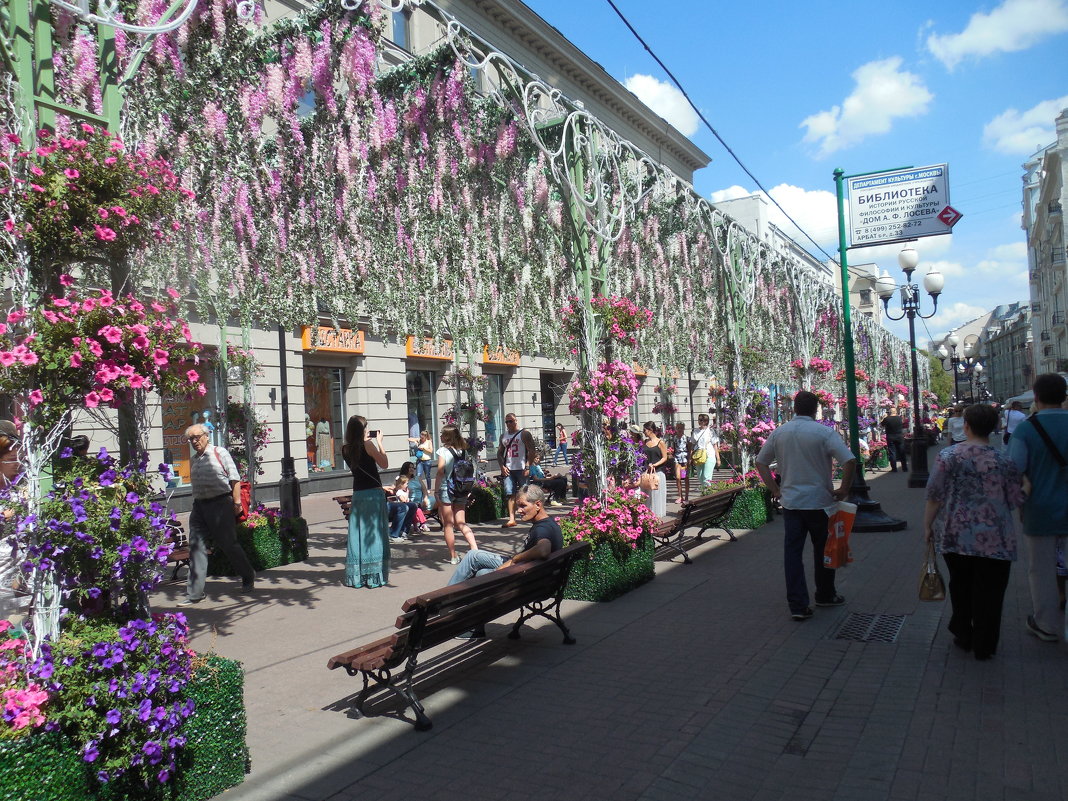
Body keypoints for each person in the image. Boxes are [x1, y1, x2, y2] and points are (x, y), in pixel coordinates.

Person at [924, 404, 1025, 660]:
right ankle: (985, 644)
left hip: (957, 534)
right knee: (991, 592)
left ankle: (963, 632)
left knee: (961, 586)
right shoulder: (1003, 460)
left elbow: (934, 495)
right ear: (995, 428)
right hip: (996, 538)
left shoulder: (948, 456)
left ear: (966, 426)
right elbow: (1015, 500)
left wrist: (927, 526)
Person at [755, 391, 857, 621]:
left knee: (792, 554)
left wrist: (775, 489)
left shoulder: (779, 433)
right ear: (815, 409)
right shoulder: (823, 432)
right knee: (824, 550)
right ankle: (825, 593)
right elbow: (849, 460)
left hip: (791, 503)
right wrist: (844, 489)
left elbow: (761, 462)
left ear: (794, 408)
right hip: (819, 503)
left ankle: (798, 605)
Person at [446, 485, 563, 639]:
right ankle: (475, 627)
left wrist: (515, 559)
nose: (519, 510)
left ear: (538, 505)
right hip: (534, 580)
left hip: (524, 579)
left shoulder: (542, 529)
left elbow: (543, 549)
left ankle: (445, 602)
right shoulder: (549, 524)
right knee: (479, 569)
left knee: (474, 557)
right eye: (518, 506)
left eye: (523, 506)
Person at [1006, 373, 1068, 642]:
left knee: (1041, 569)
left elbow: (1014, 469)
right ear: (1065, 396)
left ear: (1036, 396)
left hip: (1040, 510)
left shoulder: (1026, 429)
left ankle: (1047, 625)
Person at [180, 424, 256, 606]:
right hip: (199, 507)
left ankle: (247, 575)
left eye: (197, 437)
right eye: (191, 439)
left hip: (220, 503)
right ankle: (195, 593)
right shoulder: (193, 460)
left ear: (207, 436)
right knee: (196, 546)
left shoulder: (219, 452)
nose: (194, 441)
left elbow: (234, 478)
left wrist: (237, 502)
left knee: (228, 544)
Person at [341, 416, 390, 589]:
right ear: (362, 430)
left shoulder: (345, 449)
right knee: (374, 534)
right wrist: (380, 443)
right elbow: (384, 464)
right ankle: (374, 577)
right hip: (373, 494)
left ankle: (358, 576)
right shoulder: (368, 445)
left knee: (358, 534)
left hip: (358, 495)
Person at [435, 425, 479, 564]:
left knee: (448, 524)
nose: (441, 436)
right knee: (461, 522)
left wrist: (435, 490)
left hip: (446, 489)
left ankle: (453, 556)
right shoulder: (463, 451)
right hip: (461, 488)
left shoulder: (443, 451)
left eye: (442, 434)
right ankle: (474, 548)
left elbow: (440, 471)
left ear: (448, 436)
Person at [497, 413, 536, 528]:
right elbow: (499, 453)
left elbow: (532, 450)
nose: (509, 424)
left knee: (525, 493)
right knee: (510, 494)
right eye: (507, 422)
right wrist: (501, 466)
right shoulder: (503, 436)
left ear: (516, 421)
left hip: (521, 468)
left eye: (511, 421)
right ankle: (512, 519)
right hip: (509, 469)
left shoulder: (524, 434)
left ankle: (530, 514)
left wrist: (528, 466)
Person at [385, 462, 419, 542]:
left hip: (412, 501)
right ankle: (393, 534)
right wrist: (388, 488)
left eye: (413, 467)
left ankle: (403, 531)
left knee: (413, 505)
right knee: (403, 507)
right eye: (409, 467)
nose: (411, 469)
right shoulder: (400, 479)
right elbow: (396, 489)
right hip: (385, 506)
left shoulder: (416, 478)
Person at [641, 421, 668, 517]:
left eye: (645, 430)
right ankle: (647, 516)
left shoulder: (660, 442)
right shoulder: (645, 442)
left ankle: (656, 517)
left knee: (656, 496)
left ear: (650, 430)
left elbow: (665, 457)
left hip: (657, 473)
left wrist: (655, 465)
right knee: (646, 496)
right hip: (647, 472)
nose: (643, 432)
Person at [668, 421, 694, 504]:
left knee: (685, 477)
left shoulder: (686, 438)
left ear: (684, 428)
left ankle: (686, 496)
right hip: (677, 459)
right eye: (678, 428)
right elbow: (673, 448)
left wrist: (689, 459)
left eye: (681, 428)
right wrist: (670, 454)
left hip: (685, 459)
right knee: (678, 477)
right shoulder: (674, 438)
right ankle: (680, 496)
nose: (679, 429)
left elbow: (690, 450)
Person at [692, 413, 719, 489]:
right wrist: (690, 457)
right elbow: (692, 444)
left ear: (707, 421)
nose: (701, 422)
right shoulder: (695, 432)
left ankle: (708, 493)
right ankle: (705, 491)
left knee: (706, 477)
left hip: (709, 455)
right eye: (700, 420)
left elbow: (715, 445)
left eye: (704, 420)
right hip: (698, 456)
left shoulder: (711, 431)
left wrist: (718, 459)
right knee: (700, 476)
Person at [407, 430, 435, 501]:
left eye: (423, 437)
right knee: (418, 475)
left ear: (426, 436)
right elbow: (409, 439)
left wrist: (424, 448)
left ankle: (428, 488)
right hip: (420, 461)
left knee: (427, 475)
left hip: (427, 461)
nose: (421, 438)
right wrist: (416, 442)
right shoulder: (419, 440)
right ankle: (419, 488)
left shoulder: (429, 441)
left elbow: (431, 451)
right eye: (420, 437)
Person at [880, 405, 907, 472]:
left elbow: (881, 424)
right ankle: (904, 468)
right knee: (902, 452)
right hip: (899, 436)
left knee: (892, 452)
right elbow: (903, 424)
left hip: (890, 437)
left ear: (890, 412)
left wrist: (883, 417)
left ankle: (894, 468)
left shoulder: (887, 419)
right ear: (896, 412)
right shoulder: (899, 418)